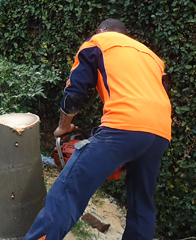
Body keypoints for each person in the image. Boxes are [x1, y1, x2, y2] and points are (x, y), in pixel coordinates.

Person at [24, 18, 172, 240]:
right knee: (142, 204)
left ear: (101, 31)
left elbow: (74, 92)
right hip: (160, 132)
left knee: (67, 193)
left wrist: (62, 128)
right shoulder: (152, 57)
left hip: (122, 126)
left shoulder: (98, 42)